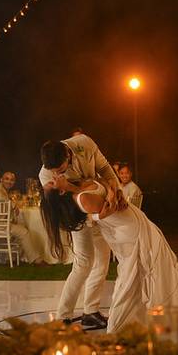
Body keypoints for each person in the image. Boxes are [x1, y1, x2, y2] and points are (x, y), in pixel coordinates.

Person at [41, 178, 178, 333]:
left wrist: (112, 189)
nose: (52, 178)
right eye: (51, 183)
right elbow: (111, 208)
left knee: (139, 272)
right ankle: (118, 326)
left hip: (134, 219)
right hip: (126, 229)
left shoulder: (79, 183)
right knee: (130, 276)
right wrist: (112, 196)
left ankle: (140, 321)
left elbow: (102, 180)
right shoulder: (81, 197)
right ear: (61, 191)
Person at [39, 134, 123, 330]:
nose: (57, 175)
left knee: (102, 261)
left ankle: (91, 311)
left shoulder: (84, 143)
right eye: (54, 173)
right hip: (76, 217)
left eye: (61, 170)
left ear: (68, 155)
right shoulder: (45, 175)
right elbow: (62, 206)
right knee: (84, 263)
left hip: (97, 206)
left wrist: (116, 189)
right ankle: (63, 315)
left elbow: (104, 168)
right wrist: (70, 188)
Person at [0, 171, 42, 264]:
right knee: (24, 232)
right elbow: (1, 199)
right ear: (1, 180)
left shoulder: (4, 190)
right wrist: (14, 205)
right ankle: (36, 260)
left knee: (22, 225)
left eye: (12, 180)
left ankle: (16, 257)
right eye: (7, 179)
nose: (9, 181)